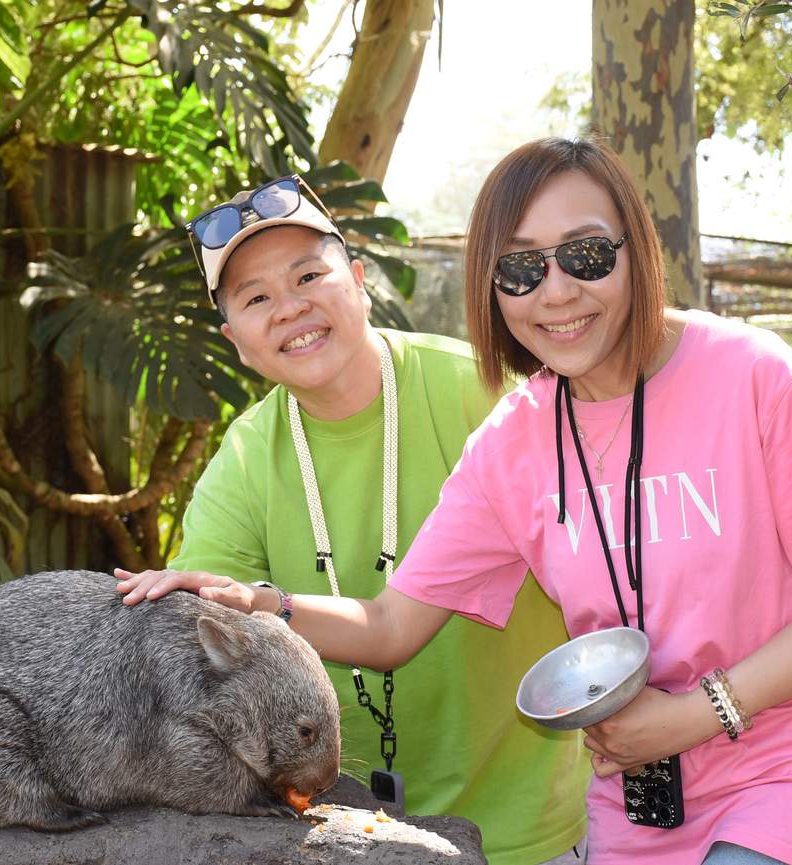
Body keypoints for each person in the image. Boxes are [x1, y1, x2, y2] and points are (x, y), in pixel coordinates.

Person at [130, 139, 792, 865]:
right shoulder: (515, 436)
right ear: (491, 286)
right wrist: (258, 601)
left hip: (784, 767)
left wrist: (696, 715)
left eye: (585, 255)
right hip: (633, 790)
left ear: (636, 252)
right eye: (520, 270)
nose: (557, 291)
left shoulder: (747, 372)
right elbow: (392, 624)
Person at [115, 174, 591, 865]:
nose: (290, 307)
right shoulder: (245, 457)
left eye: (309, 274)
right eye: (256, 297)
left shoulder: (486, 394)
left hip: (524, 824)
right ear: (235, 340)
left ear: (359, 280)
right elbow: (209, 641)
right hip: (337, 829)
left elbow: (599, 565)